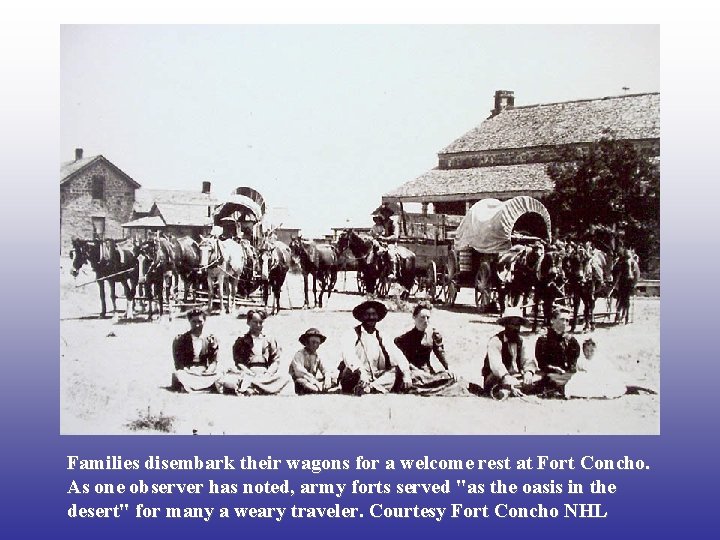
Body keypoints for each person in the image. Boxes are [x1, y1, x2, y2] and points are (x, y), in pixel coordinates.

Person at [338, 300, 412, 395]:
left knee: (397, 370)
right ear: (362, 317)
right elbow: (348, 355)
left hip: (375, 376)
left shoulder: (382, 336)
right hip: (356, 374)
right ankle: (371, 387)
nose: (371, 318)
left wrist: (406, 374)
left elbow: (397, 355)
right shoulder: (351, 334)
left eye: (374, 314)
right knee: (350, 371)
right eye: (367, 315)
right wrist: (361, 371)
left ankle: (370, 388)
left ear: (378, 317)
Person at [394, 302, 466, 396]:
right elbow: (399, 360)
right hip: (413, 372)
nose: (425, 321)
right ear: (414, 317)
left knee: (451, 377)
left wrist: (449, 368)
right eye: (422, 317)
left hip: (428, 372)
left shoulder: (433, 334)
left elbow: (440, 352)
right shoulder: (404, 338)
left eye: (428, 318)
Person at [217, 309, 293, 395]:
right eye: (255, 322)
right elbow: (239, 362)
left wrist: (268, 373)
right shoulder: (241, 341)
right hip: (248, 373)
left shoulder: (270, 340)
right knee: (228, 380)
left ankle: (253, 388)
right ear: (248, 322)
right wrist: (249, 372)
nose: (258, 325)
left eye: (260, 322)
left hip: (265, 375)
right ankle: (259, 388)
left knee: (286, 378)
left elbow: (276, 360)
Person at [482, 307, 540, 398]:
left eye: (518, 324)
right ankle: (506, 390)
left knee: (539, 378)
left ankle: (512, 389)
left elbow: (528, 360)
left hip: (516, 377)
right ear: (506, 324)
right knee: (496, 379)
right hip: (498, 377)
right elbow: (496, 366)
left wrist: (528, 372)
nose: (516, 328)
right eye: (513, 324)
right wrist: (506, 377)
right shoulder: (496, 341)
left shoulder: (522, 341)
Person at [171, 308, 223, 393]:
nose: (197, 325)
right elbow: (178, 363)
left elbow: (214, 361)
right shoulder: (180, 339)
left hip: (204, 372)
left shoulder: (211, 339)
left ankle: (195, 387)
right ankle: (203, 387)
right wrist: (188, 370)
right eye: (194, 322)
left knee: (220, 374)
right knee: (179, 374)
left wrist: (208, 370)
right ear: (189, 322)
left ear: (204, 321)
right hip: (188, 371)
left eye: (200, 322)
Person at [534, 308, 581, 377]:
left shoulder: (571, 340)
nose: (565, 323)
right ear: (553, 320)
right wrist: (554, 369)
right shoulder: (544, 339)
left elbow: (574, 360)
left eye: (567, 320)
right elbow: (542, 363)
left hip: (568, 376)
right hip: (550, 376)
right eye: (562, 319)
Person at [290, 328, 335, 395]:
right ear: (306, 342)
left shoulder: (317, 356)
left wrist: (327, 379)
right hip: (302, 380)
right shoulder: (299, 354)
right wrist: (315, 382)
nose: (315, 345)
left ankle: (323, 388)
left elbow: (325, 369)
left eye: (317, 343)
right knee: (302, 383)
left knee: (333, 378)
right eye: (313, 342)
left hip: (313, 381)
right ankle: (320, 389)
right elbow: (300, 372)